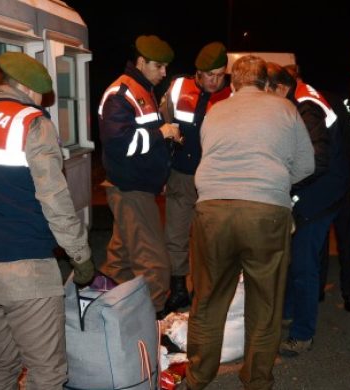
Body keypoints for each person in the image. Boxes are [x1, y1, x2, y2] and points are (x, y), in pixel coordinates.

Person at [0, 51, 95, 389]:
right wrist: (81, 255)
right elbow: (55, 201)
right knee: (46, 373)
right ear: (30, 90)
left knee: (0, 366)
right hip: (25, 271)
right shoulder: (32, 123)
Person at [184, 55, 314, 390]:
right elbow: (307, 165)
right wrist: (276, 185)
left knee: (208, 296)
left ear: (234, 82)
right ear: (263, 81)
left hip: (213, 211)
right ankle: (256, 379)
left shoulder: (215, 111)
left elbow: (207, 153)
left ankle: (198, 376)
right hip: (265, 213)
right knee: (266, 301)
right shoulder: (285, 110)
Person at [266, 63, 350, 356]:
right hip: (322, 188)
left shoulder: (306, 106)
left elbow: (315, 161)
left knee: (303, 264)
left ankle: (302, 335)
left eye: (268, 92)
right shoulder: (301, 98)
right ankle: (290, 312)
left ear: (280, 87)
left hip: (320, 193)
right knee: (295, 259)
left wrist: (288, 186)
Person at [97, 35, 181, 317]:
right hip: (131, 190)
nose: (164, 73)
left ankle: (106, 316)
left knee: (119, 261)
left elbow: (138, 137)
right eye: (159, 66)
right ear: (141, 62)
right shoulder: (121, 93)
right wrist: (162, 133)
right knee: (155, 266)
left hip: (136, 189)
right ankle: (151, 324)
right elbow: (121, 145)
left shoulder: (142, 89)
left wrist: (164, 139)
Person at [160, 41, 232, 313]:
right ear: (197, 73)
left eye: (220, 75)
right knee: (176, 235)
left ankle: (205, 292)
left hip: (215, 180)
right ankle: (178, 289)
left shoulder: (233, 95)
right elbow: (162, 123)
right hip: (180, 174)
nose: (215, 81)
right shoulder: (178, 87)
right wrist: (162, 172)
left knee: (209, 238)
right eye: (209, 75)